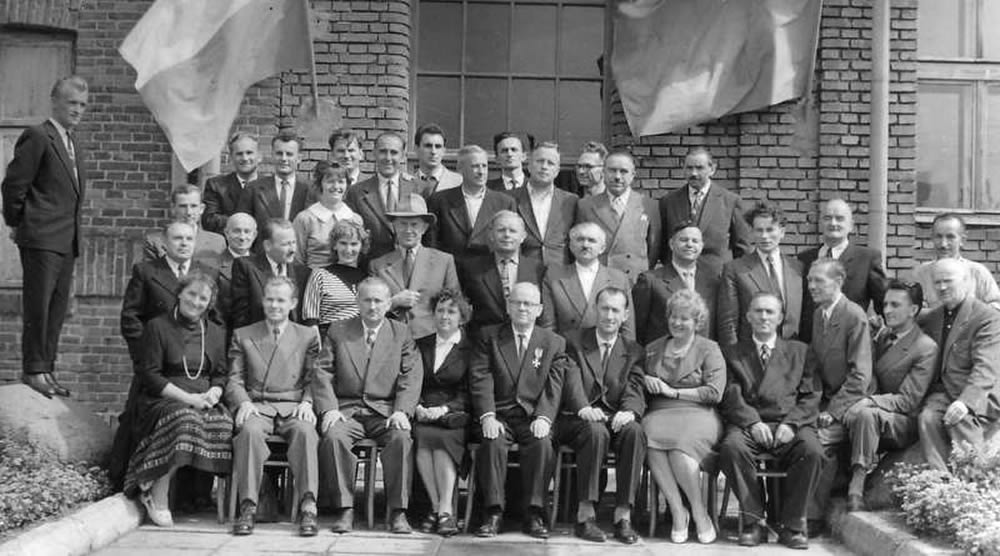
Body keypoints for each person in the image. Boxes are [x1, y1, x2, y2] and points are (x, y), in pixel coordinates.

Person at [1, 75, 88, 398]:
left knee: (56, 309)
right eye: (71, 103)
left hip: (66, 240)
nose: (77, 110)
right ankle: (33, 369)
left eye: (82, 105)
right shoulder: (38, 136)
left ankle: (46, 369)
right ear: (55, 102)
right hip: (40, 238)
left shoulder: (73, 142)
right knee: (38, 306)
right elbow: (14, 185)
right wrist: (18, 223)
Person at [315, 277, 423, 534]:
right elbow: (322, 371)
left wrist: (401, 411)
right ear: (357, 302)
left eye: (378, 301)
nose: (372, 306)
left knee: (401, 438)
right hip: (348, 410)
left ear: (388, 303)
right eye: (367, 300)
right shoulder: (339, 330)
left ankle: (397, 511)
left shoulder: (401, 333)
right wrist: (329, 409)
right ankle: (345, 508)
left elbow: (411, 375)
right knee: (333, 437)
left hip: (384, 411)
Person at [123, 272, 232, 527]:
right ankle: (157, 492)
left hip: (204, 398)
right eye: (191, 294)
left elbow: (220, 374)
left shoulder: (216, 332)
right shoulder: (157, 327)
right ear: (180, 293)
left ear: (210, 303)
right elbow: (150, 375)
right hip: (164, 398)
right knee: (185, 419)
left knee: (225, 423)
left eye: (203, 298)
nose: (196, 301)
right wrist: (188, 398)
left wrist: (214, 393)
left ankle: (156, 480)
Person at [719, 292, 824, 549]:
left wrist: (792, 424)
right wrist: (752, 422)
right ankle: (754, 521)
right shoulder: (732, 353)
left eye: (770, 312)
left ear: (780, 318)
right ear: (748, 316)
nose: (764, 317)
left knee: (812, 451)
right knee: (732, 448)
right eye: (758, 311)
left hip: (788, 423)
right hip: (749, 423)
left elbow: (811, 395)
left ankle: (792, 524)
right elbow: (730, 395)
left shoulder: (800, 351)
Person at [470, 282, 569, 539]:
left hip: (532, 416)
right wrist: (487, 415)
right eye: (517, 302)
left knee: (542, 443)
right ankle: (493, 513)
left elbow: (554, 385)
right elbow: (481, 378)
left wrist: (544, 417)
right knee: (492, 441)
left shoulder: (553, 342)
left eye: (529, 303)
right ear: (508, 306)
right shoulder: (489, 336)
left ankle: (534, 513)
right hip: (500, 414)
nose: (522, 308)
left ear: (539, 309)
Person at [227, 276, 322, 537]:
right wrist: (243, 402)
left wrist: (308, 401)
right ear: (262, 300)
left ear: (293, 303)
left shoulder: (307, 336)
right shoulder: (244, 334)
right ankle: (248, 506)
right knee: (249, 432)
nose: (274, 305)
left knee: (306, 432)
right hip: (258, 405)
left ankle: (308, 506)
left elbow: (316, 376)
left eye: (281, 300)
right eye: (269, 299)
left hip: (294, 405)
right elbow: (234, 378)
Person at [558, 287, 647, 544]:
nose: (609, 315)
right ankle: (585, 514)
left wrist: (629, 412)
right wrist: (583, 407)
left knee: (635, 432)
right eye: (605, 308)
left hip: (614, 416)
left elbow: (635, 386)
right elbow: (571, 380)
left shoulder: (634, 350)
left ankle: (623, 515)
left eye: (615, 310)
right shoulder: (573, 341)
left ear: (625, 315)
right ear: (596, 310)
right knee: (595, 431)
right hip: (578, 417)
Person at [842, 280, 936, 511]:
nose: (887, 310)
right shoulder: (883, 336)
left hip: (904, 422)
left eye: (895, 305)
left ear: (913, 310)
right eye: (885, 304)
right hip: (876, 415)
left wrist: (868, 401)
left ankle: (856, 486)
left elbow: (908, 400)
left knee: (866, 415)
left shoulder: (925, 347)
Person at [640, 289, 724, 544]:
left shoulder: (709, 348)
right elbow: (637, 380)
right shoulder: (652, 349)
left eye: (684, 318)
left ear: (697, 322)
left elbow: (714, 392)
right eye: (673, 316)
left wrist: (674, 392)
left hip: (699, 413)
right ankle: (678, 511)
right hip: (659, 412)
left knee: (679, 449)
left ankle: (699, 511)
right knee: (649, 440)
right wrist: (645, 380)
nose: (677, 322)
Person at [807, 258, 873, 524]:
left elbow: (860, 376)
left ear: (838, 282)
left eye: (818, 281)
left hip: (851, 403)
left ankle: (811, 518)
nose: (812, 286)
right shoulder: (819, 314)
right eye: (809, 280)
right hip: (824, 400)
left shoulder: (854, 316)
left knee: (820, 441)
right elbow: (816, 366)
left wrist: (833, 411)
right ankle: (782, 512)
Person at [918, 259, 1000, 471]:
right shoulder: (934, 317)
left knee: (960, 418)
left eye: (948, 281)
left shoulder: (987, 317)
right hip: (946, 391)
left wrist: (965, 402)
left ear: (965, 281)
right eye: (937, 282)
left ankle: (974, 475)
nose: (942, 287)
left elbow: (986, 367)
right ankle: (940, 478)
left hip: (981, 391)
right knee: (928, 417)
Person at [412, 289, 474, 537]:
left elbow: (471, 390)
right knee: (422, 437)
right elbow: (411, 380)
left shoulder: (471, 349)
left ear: (462, 317)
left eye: (451, 311)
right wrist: (417, 406)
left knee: (442, 442)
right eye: (440, 310)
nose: (444, 316)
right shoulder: (421, 344)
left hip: (455, 415)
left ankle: (445, 508)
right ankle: (439, 510)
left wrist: (444, 409)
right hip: (423, 413)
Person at [121, 222, 217, 364]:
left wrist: (210, 354)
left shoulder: (209, 273)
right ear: (164, 242)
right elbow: (131, 318)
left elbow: (216, 318)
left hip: (197, 356)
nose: (184, 243)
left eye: (189, 239)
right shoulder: (146, 272)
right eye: (178, 238)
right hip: (156, 356)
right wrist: (144, 354)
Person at [370, 194, 460, 339]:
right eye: (403, 224)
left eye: (414, 225)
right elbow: (370, 306)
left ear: (424, 228)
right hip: (390, 337)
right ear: (394, 226)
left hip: (431, 337)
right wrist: (392, 302)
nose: (408, 230)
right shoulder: (378, 265)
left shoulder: (444, 261)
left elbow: (454, 305)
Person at [798, 199, 887, 342]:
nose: (833, 223)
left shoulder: (867, 259)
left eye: (839, 218)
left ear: (851, 225)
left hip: (849, 343)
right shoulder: (804, 259)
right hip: (808, 343)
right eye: (827, 218)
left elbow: (884, 303)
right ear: (820, 223)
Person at [719, 202, 804, 346]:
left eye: (770, 230)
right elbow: (728, 323)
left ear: (782, 232)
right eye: (759, 230)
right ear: (752, 232)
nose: (764, 236)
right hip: (751, 352)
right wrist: (733, 355)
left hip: (791, 352)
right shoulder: (735, 269)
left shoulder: (797, 268)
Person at [659, 147, 752, 274]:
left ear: (712, 169)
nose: (694, 173)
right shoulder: (668, 201)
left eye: (699, 168)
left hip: (717, 278)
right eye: (689, 168)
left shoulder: (730, 201)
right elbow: (663, 245)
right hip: (678, 277)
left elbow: (743, 247)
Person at [575, 151, 661, 284]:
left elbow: (654, 248)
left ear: (633, 175)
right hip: (598, 282)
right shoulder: (586, 206)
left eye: (623, 171)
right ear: (603, 172)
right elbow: (579, 246)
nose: (617, 177)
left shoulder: (649, 205)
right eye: (612, 170)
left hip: (635, 282)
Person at [456, 211, 546, 337]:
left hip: (524, 338)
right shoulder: (471, 269)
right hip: (484, 340)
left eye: (513, 231)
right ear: (491, 235)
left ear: (523, 236)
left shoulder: (538, 269)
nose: (507, 235)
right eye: (501, 230)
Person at [539, 222, 634, 339]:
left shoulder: (619, 279)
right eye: (580, 239)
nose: (585, 245)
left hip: (605, 346)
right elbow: (548, 326)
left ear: (602, 248)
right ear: (571, 246)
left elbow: (627, 328)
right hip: (567, 347)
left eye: (592, 240)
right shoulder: (554, 276)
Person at [345, 131, 430, 260]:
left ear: (403, 156)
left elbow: (429, 235)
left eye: (394, 152)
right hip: (372, 265)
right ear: (374, 153)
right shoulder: (357, 192)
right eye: (383, 152)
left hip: (413, 263)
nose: (388, 158)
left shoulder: (420, 189)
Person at [633, 222, 720, 345]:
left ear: (701, 246)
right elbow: (638, 326)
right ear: (671, 244)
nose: (689, 244)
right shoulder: (650, 281)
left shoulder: (713, 281)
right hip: (662, 353)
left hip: (701, 353)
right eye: (684, 240)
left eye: (695, 241)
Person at [427, 144, 516, 260]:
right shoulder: (439, 201)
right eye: (475, 166)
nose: (481, 172)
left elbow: (513, 244)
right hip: (452, 268)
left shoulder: (505, 203)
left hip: (488, 268)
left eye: (484, 166)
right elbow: (432, 245)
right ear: (460, 169)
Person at [909, 213, 1000, 312]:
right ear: (932, 238)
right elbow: (909, 311)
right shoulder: (920, 274)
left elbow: (996, 307)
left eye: (950, 237)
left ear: (962, 240)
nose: (943, 244)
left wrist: (971, 315)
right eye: (938, 237)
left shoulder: (977, 273)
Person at [230, 218, 310, 330]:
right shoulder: (246, 267)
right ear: (267, 245)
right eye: (285, 244)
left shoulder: (303, 273)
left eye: (293, 243)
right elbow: (241, 317)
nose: (292, 250)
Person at [512, 142, 578, 266]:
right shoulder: (509, 198)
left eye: (550, 163)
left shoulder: (571, 201)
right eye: (540, 161)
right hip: (522, 270)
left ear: (557, 171)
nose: (544, 167)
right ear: (529, 166)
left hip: (560, 271)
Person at [301, 219, 369, 337]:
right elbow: (310, 318)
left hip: (359, 339)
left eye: (354, 244)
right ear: (334, 245)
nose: (348, 250)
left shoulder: (368, 279)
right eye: (343, 243)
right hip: (329, 338)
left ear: (361, 246)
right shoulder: (320, 275)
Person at [237, 130, 311, 239]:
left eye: (289, 154)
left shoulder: (311, 190)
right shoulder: (253, 189)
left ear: (299, 158)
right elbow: (243, 226)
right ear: (272, 155)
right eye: (279, 153)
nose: (284, 159)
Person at [292, 161, 362, 269]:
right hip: (313, 276)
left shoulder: (355, 219)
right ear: (320, 184)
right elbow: (297, 260)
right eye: (330, 181)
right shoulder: (305, 219)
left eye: (341, 182)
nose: (336, 186)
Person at [143, 185, 227, 268]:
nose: (189, 212)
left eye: (193, 206)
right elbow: (149, 274)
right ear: (173, 208)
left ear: (201, 209)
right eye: (183, 206)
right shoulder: (155, 241)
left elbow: (223, 274)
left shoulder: (217, 242)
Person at [202, 132, 260, 234]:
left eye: (249, 153)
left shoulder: (270, 187)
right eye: (239, 154)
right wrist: (242, 224)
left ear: (259, 156)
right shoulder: (216, 185)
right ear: (231, 157)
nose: (245, 158)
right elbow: (209, 220)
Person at [216, 213, 257, 337]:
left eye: (247, 231)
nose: (242, 237)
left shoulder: (263, 266)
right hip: (227, 335)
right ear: (226, 233)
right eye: (237, 231)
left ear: (255, 235)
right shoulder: (213, 267)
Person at [413, 123, 463, 194]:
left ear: (443, 151)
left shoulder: (459, 182)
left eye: (438, 146)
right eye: (428, 146)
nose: (433, 151)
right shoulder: (406, 183)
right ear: (416, 149)